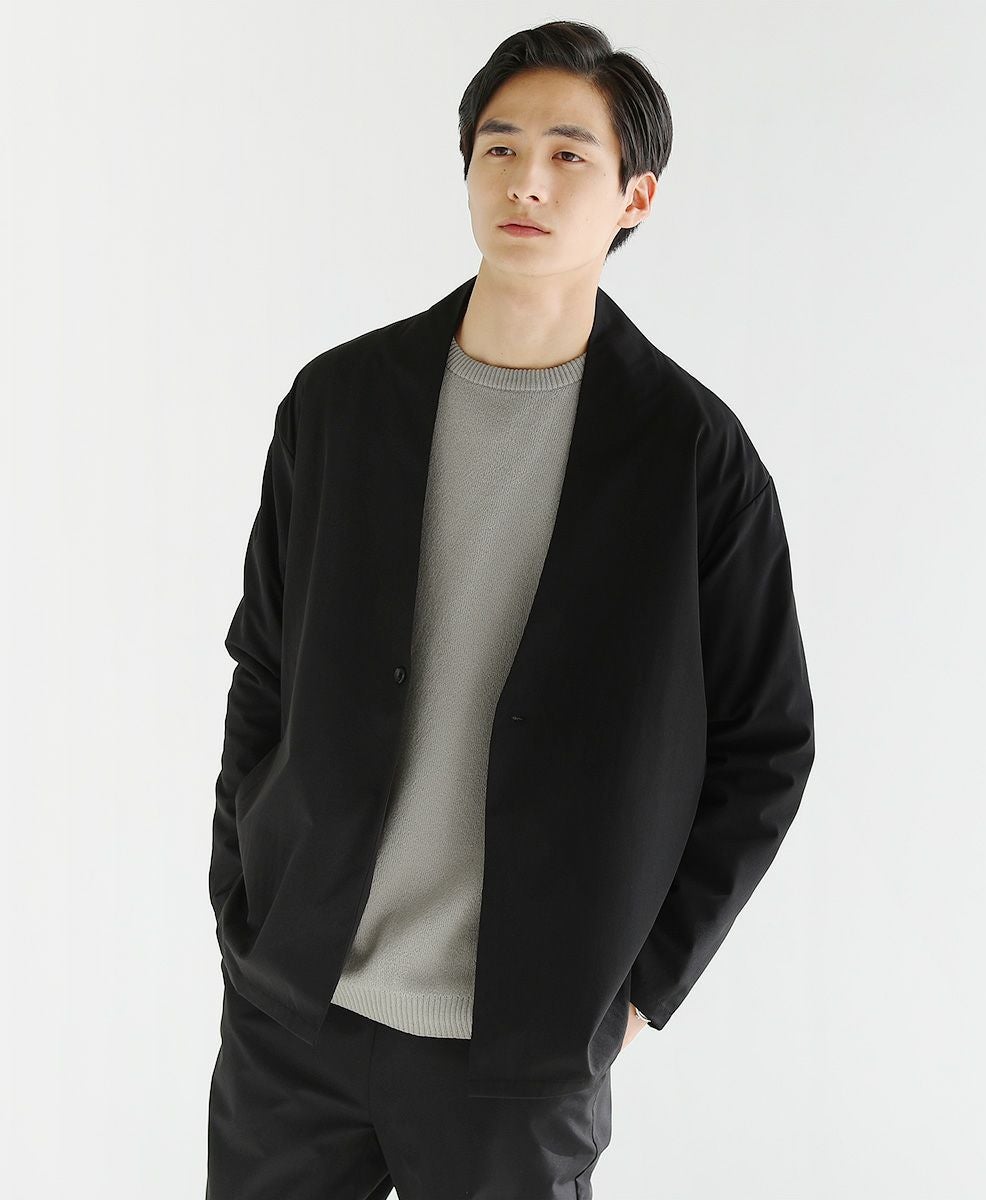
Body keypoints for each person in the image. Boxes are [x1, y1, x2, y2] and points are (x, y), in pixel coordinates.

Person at [206, 19, 815, 1200]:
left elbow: (767, 743)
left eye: (568, 154)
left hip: (519, 1051)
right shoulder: (338, 404)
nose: (525, 180)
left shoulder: (691, 457)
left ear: (636, 195)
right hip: (294, 1012)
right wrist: (246, 901)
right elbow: (262, 665)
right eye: (498, 148)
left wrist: (636, 992)